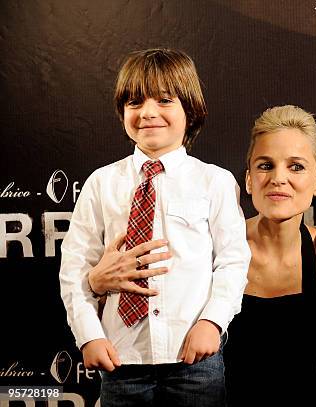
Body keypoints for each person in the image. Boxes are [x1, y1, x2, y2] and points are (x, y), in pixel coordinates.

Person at [59, 48, 251, 407]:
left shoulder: (214, 182)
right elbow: (74, 268)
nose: (148, 112)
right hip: (121, 358)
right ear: (122, 113)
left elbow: (233, 262)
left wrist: (212, 322)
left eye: (164, 100)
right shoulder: (102, 183)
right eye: (134, 102)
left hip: (194, 360)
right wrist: (87, 336)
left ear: (190, 110)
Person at [222, 105, 316, 406]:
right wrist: (97, 282)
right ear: (248, 179)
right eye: (265, 165)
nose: (278, 178)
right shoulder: (216, 247)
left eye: (296, 166)